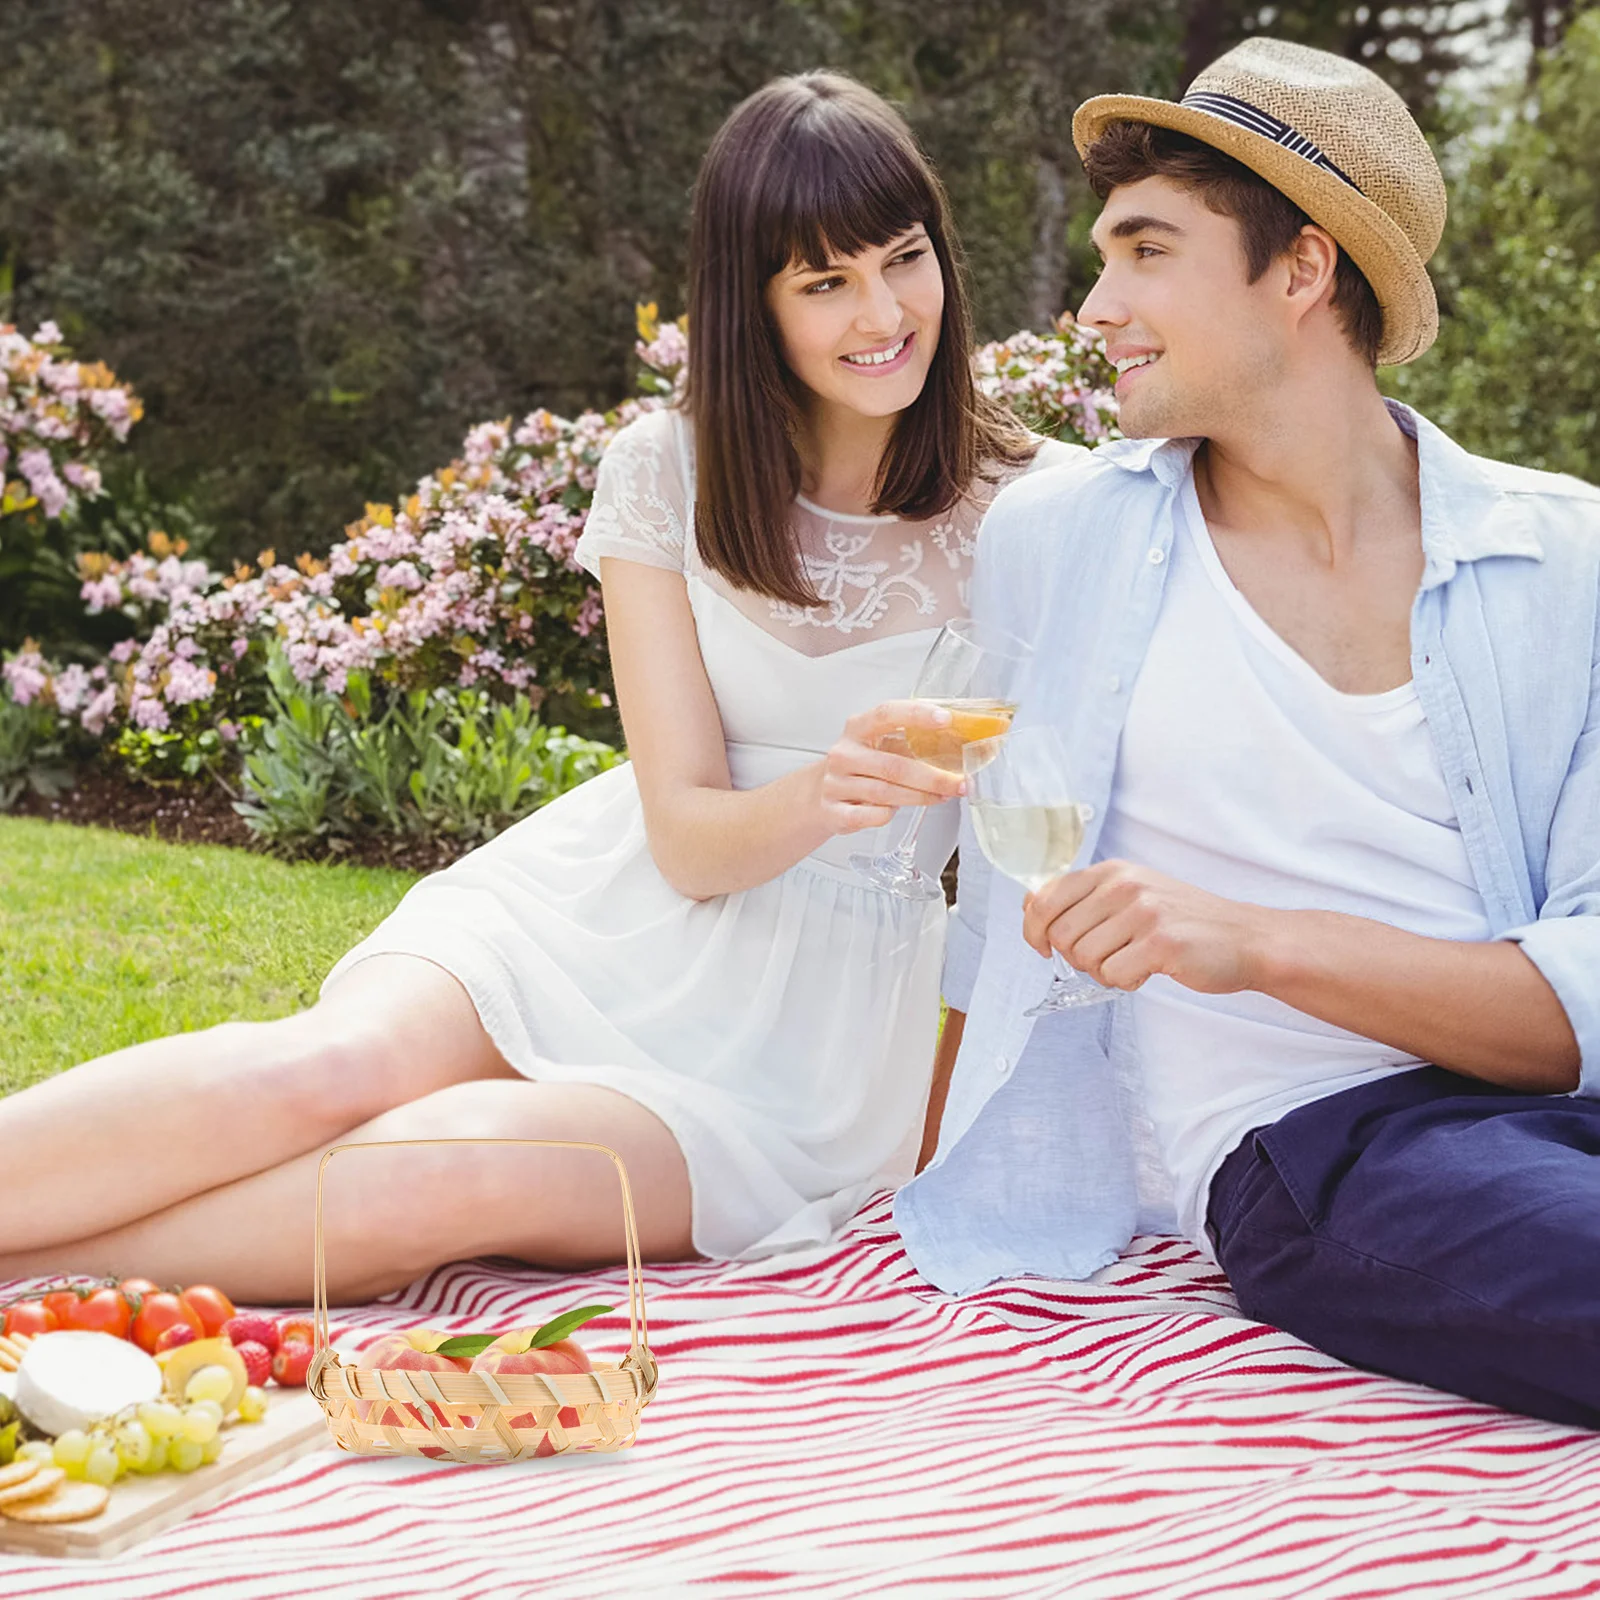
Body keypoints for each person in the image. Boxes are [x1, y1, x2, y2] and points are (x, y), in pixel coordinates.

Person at [0, 72, 1076, 1304]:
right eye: (824, 282)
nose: (883, 311)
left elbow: (1053, 844)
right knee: (321, 1071)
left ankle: (38, 1278)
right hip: (600, 906)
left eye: (904, 258)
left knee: (433, 1176)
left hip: (806, 1049)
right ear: (753, 306)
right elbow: (682, 834)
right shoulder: (666, 469)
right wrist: (829, 786)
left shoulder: (1039, 507)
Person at [897, 39, 1600, 1429]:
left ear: (1303, 268)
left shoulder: (1562, 559)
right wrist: (945, 1179)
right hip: (1327, 1146)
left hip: (1558, 1115)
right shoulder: (1064, 540)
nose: (1096, 308)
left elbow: (1582, 1000)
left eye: (1147, 251)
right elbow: (993, 902)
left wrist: (1256, 939)